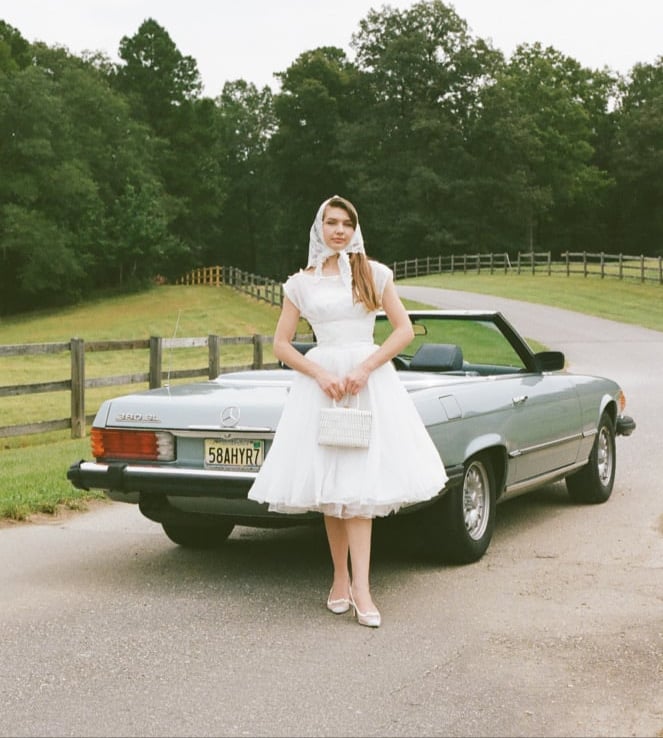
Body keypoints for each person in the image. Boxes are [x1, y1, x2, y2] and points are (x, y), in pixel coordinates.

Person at [248, 195, 448, 627]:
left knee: (358, 493)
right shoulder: (299, 284)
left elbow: (404, 330)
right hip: (322, 388)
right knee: (332, 489)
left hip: (367, 384)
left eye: (346, 223)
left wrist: (365, 368)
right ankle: (339, 579)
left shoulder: (373, 273)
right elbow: (281, 344)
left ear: (355, 229)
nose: (339, 230)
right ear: (319, 228)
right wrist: (319, 374)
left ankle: (363, 589)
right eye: (332, 222)